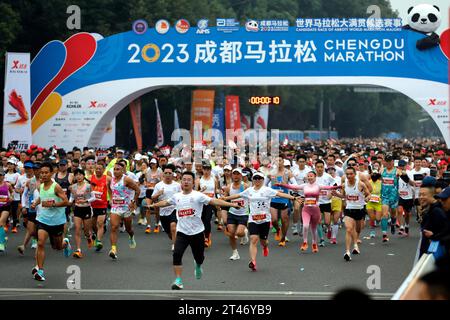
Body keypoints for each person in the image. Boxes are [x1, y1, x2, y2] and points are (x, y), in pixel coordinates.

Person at [150, 171, 240, 290]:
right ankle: (178, 280)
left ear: (193, 183)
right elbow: (165, 202)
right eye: (184, 179)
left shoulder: (198, 195)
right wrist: (153, 205)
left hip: (197, 232)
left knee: (199, 257)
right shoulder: (177, 196)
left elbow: (214, 201)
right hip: (182, 232)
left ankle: (198, 265)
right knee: (177, 254)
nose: (186, 182)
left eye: (189, 180)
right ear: (181, 182)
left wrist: (231, 205)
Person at [225, 171, 301, 271]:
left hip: (265, 219)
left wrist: (294, 198)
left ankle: (265, 247)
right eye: (255, 178)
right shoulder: (250, 191)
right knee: (253, 239)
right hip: (253, 219)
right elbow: (238, 195)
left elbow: (281, 194)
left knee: (263, 241)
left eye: (259, 178)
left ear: (262, 180)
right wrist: (225, 198)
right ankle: (253, 261)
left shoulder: (267, 190)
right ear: (253, 180)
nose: (257, 180)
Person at [277, 171, 340, 253]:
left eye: (311, 176)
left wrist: (339, 186)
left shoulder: (318, 186)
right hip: (306, 209)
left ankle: (314, 243)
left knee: (314, 228)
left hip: (316, 210)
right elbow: (293, 187)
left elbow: (329, 187)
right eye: (308, 176)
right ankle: (305, 242)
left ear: (315, 177)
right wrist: (282, 185)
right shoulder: (304, 186)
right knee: (306, 226)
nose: (310, 177)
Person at [31, 162, 71, 281]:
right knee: (40, 243)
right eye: (41, 172)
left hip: (57, 221)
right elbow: (41, 197)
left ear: (51, 173)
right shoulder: (40, 186)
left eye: (46, 172)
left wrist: (53, 204)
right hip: (43, 220)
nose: (43, 175)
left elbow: (66, 201)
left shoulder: (56, 187)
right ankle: (41, 271)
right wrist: (35, 203)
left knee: (57, 247)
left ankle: (65, 243)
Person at [333, 166, 370, 261]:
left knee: (357, 229)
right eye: (347, 174)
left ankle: (355, 244)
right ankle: (347, 252)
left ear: (355, 174)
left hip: (359, 209)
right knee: (349, 229)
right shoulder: (344, 184)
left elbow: (368, 193)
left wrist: (367, 198)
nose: (349, 176)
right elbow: (344, 196)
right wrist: (337, 194)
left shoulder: (360, 184)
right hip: (349, 209)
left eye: (351, 174)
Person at [107, 162, 141, 260]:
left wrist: (133, 201)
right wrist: (110, 199)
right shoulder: (111, 179)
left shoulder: (126, 179)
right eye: (114, 169)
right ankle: (113, 250)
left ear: (122, 171)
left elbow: (138, 190)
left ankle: (131, 236)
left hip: (126, 207)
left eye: (118, 169)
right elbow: (109, 189)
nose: (115, 171)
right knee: (114, 227)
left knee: (128, 229)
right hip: (116, 207)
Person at [221, 168, 250, 260]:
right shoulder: (229, 187)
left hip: (243, 213)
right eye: (234, 174)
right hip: (232, 213)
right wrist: (222, 199)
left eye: (238, 174)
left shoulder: (245, 186)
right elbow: (225, 199)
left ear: (241, 176)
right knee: (231, 233)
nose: (236, 176)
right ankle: (235, 253)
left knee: (239, 233)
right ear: (232, 175)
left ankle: (244, 234)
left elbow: (251, 198)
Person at [151, 164, 181, 251]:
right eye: (166, 173)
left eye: (170, 173)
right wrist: (158, 194)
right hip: (163, 211)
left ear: (173, 175)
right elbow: (153, 198)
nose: (168, 175)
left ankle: (175, 246)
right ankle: (175, 240)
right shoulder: (158, 185)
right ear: (163, 174)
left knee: (173, 226)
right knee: (169, 232)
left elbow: (182, 196)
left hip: (174, 209)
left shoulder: (177, 185)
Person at [267, 156, 296, 247]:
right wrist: (270, 191)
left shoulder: (288, 173)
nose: (278, 162)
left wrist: (286, 185)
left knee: (284, 219)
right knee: (274, 220)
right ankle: (278, 230)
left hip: (284, 199)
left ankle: (283, 237)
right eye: (276, 161)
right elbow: (264, 185)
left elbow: (295, 185)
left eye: (280, 160)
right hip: (274, 198)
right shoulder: (271, 173)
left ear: (283, 162)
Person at [69, 169, 95, 258]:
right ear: (75, 177)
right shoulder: (73, 187)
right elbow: (72, 197)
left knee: (86, 231)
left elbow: (93, 198)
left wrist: (86, 200)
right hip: (77, 209)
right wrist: (69, 202)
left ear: (84, 176)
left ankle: (89, 237)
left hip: (86, 208)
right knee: (77, 229)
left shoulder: (88, 186)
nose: (79, 176)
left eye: (80, 174)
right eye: (77, 175)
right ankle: (78, 250)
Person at [419, 184, 449, 257]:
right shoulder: (432, 209)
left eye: (424, 195)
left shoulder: (437, 211)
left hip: (434, 254)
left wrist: (434, 236)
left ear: (432, 195)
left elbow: (445, 232)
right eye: (419, 194)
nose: (421, 197)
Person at [195, 161, 219, 247]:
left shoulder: (214, 179)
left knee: (207, 219)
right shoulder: (199, 180)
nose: (206, 171)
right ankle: (202, 235)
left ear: (210, 170)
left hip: (210, 201)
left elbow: (216, 191)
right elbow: (194, 192)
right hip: (201, 203)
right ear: (202, 170)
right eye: (205, 169)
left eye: (208, 169)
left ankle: (206, 237)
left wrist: (219, 196)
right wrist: (201, 191)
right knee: (201, 219)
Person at [17, 161, 37, 255]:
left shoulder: (44, 180)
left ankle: (32, 242)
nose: (28, 170)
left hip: (41, 208)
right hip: (30, 207)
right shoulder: (25, 180)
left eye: (30, 168)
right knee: (29, 227)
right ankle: (26, 244)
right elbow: (24, 194)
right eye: (26, 168)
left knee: (35, 228)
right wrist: (24, 206)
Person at [90, 161, 108, 251]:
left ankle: (99, 241)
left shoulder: (107, 178)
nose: (98, 170)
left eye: (100, 169)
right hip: (92, 205)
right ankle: (96, 234)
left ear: (103, 169)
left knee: (100, 223)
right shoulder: (91, 178)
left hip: (102, 204)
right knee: (93, 225)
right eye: (96, 168)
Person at [54, 159, 73, 238]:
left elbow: (73, 189)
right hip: (56, 200)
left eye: (63, 165)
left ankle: (64, 237)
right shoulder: (54, 175)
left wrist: (71, 201)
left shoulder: (70, 175)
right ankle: (57, 234)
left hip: (66, 200)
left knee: (64, 218)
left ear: (67, 166)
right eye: (60, 165)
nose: (62, 167)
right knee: (56, 217)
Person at [4, 159, 21, 233]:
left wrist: (11, 184)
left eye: (11, 164)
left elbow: (18, 185)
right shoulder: (4, 174)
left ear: (14, 166)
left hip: (15, 196)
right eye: (8, 164)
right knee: (6, 211)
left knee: (14, 211)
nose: (10, 165)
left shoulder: (17, 175)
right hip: (6, 196)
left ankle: (14, 227)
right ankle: (7, 224)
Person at [0, 169, 14, 252]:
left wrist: (11, 197)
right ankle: (3, 239)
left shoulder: (7, 184)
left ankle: (1, 243)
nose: (0, 177)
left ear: (3, 176)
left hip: (5, 206)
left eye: (1, 175)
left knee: (1, 222)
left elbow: (12, 192)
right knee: (1, 224)